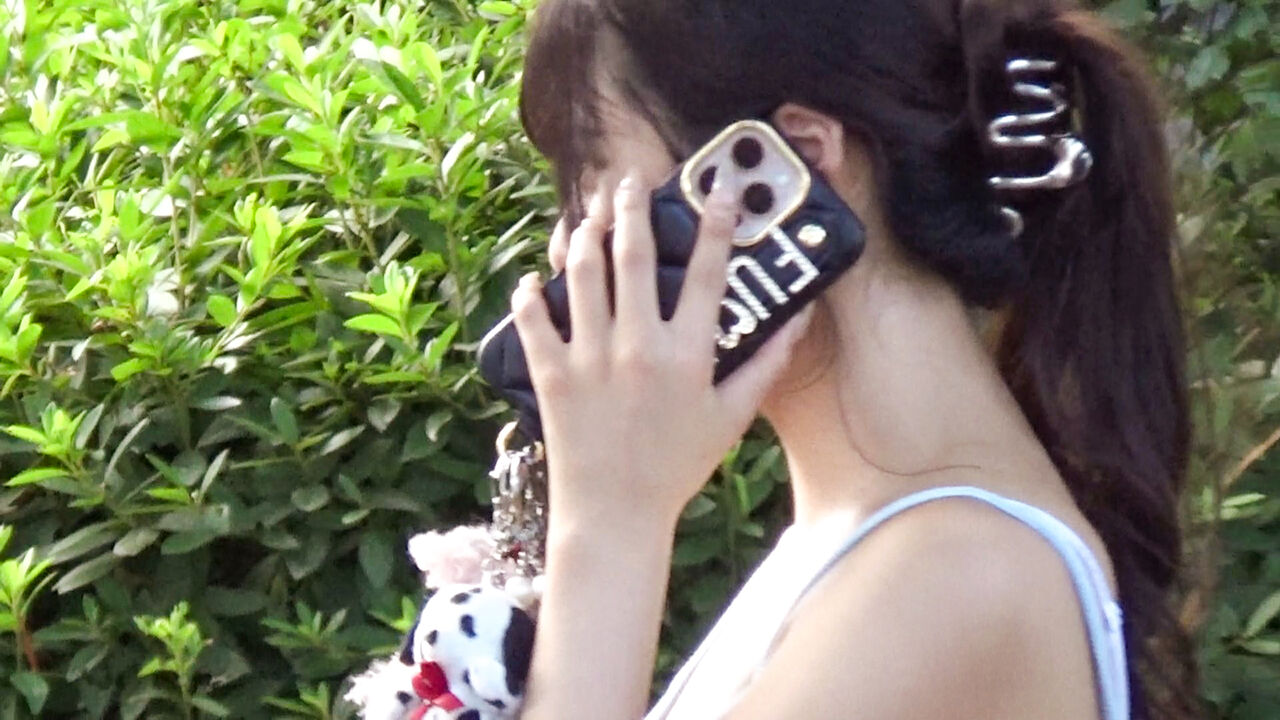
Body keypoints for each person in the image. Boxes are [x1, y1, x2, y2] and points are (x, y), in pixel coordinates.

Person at [503, 0, 1201, 718]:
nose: (567, 248)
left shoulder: (957, 573)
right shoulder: (870, 541)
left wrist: (611, 525)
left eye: (591, 171)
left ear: (795, 165)